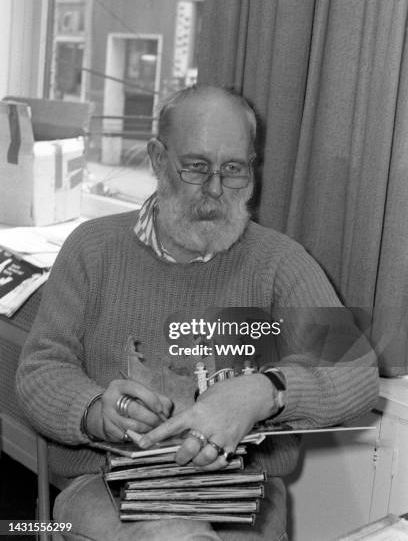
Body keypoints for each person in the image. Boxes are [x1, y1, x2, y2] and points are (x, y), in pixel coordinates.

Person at [16, 85, 379, 541]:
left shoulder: (279, 262)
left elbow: (358, 371)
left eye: (233, 170)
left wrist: (266, 392)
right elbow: (39, 371)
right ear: (157, 158)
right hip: (107, 484)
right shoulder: (93, 249)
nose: (214, 189)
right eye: (196, 167)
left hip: (244, 492)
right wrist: (95, 411)